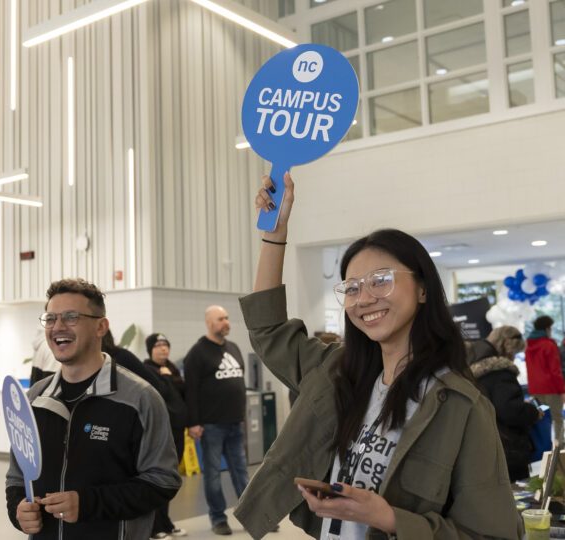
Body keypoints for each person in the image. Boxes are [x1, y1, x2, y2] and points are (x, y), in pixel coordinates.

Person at [234, 172, 521, 539]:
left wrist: (388, 518)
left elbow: (492, 535)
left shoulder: (461, 406)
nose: (364, 298)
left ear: (421, 289)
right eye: (352, 288)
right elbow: (267, 329)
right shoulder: (337, 373)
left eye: (381, 280)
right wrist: (275, 235)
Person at [5, 278, 181, 539]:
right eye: (50, 318)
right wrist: (17, 510)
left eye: (71, 317)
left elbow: (162, 481)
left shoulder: (139, 399)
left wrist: (88, 503)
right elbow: (17, 477)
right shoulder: (34, 400)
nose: (58, 327)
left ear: (101, 327)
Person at [184, 306, 249, 536]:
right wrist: (193, 422)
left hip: (235, 423)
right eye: (221, 319)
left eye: (227, 318)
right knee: (212, 476)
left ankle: (252, 516)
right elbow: (189, 391)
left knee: (242, 473)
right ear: (209, 323)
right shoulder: (197, 353)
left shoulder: (233, 348)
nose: (226, 322)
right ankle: (218, 518)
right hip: (211, 425)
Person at [466, 326, 540, 482]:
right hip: (507, 448)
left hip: (479, 444)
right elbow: (509, 410)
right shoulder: (500, 372)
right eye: (515, 353)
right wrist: (533, 412)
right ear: (508, 347)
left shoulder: (471, 363)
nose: (513, 358)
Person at [143, 333, 188, 539]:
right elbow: (165, 393)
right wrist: (167, 378)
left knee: (171, 478)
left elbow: (182, 393)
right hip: (161, 431)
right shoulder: (148, 370)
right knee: (159, 478)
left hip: (178, 430)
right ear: (150, 350)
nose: (163, 349)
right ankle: (155, 526)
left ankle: (167, 523)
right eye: (158, 346)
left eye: (166, 345)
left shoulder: (171, 368)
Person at [526, 315, 565, 445]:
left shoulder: (528, 347)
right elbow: (555, 371)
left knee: (540, 417)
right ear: (547, 328)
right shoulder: (549, 345)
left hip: (535, 389)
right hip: (551, 389)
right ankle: (560, 447)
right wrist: (562, 390)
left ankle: (543, 446)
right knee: (557, 418)